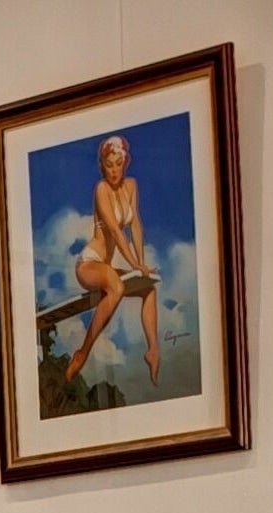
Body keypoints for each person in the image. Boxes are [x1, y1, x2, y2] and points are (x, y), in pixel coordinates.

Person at [65, 135, 160, 386]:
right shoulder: (101, 190)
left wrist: (141, 264)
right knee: (116, 287)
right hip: (89, 264)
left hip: (106, 267)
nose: (114, 170)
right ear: (101, 166)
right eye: (109, 165)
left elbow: (135, 225)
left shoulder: (131, 186)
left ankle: (153, 351)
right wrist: (134, 266)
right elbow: (117, 234)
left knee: (148, 288)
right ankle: (83, 352)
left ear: (125, 163)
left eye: (118, 164)